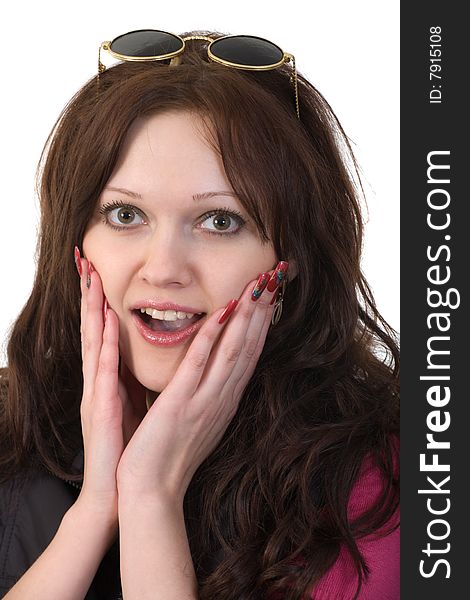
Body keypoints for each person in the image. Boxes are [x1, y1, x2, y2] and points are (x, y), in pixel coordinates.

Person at [0, 29, 399, 600]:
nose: (163, 269)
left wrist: (149, 496)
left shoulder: (383, 485)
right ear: (76, 242)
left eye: (220, 222)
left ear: (290, 261)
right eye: (124, 214)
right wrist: (94, 512)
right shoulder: (12, 431)